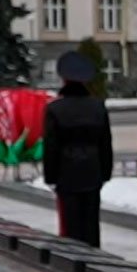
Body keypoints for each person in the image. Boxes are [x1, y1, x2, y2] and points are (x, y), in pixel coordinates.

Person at [42, 51, 114, 247]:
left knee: (70, 224)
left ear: (64, 79)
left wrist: (50, 176)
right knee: (91, 222)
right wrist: (105, 172)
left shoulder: (55, 109)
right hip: (92, 171)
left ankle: (74, 263)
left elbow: (51, 146)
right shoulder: (97, 107)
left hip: (66, 173)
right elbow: (105, 143)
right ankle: (95, 260)